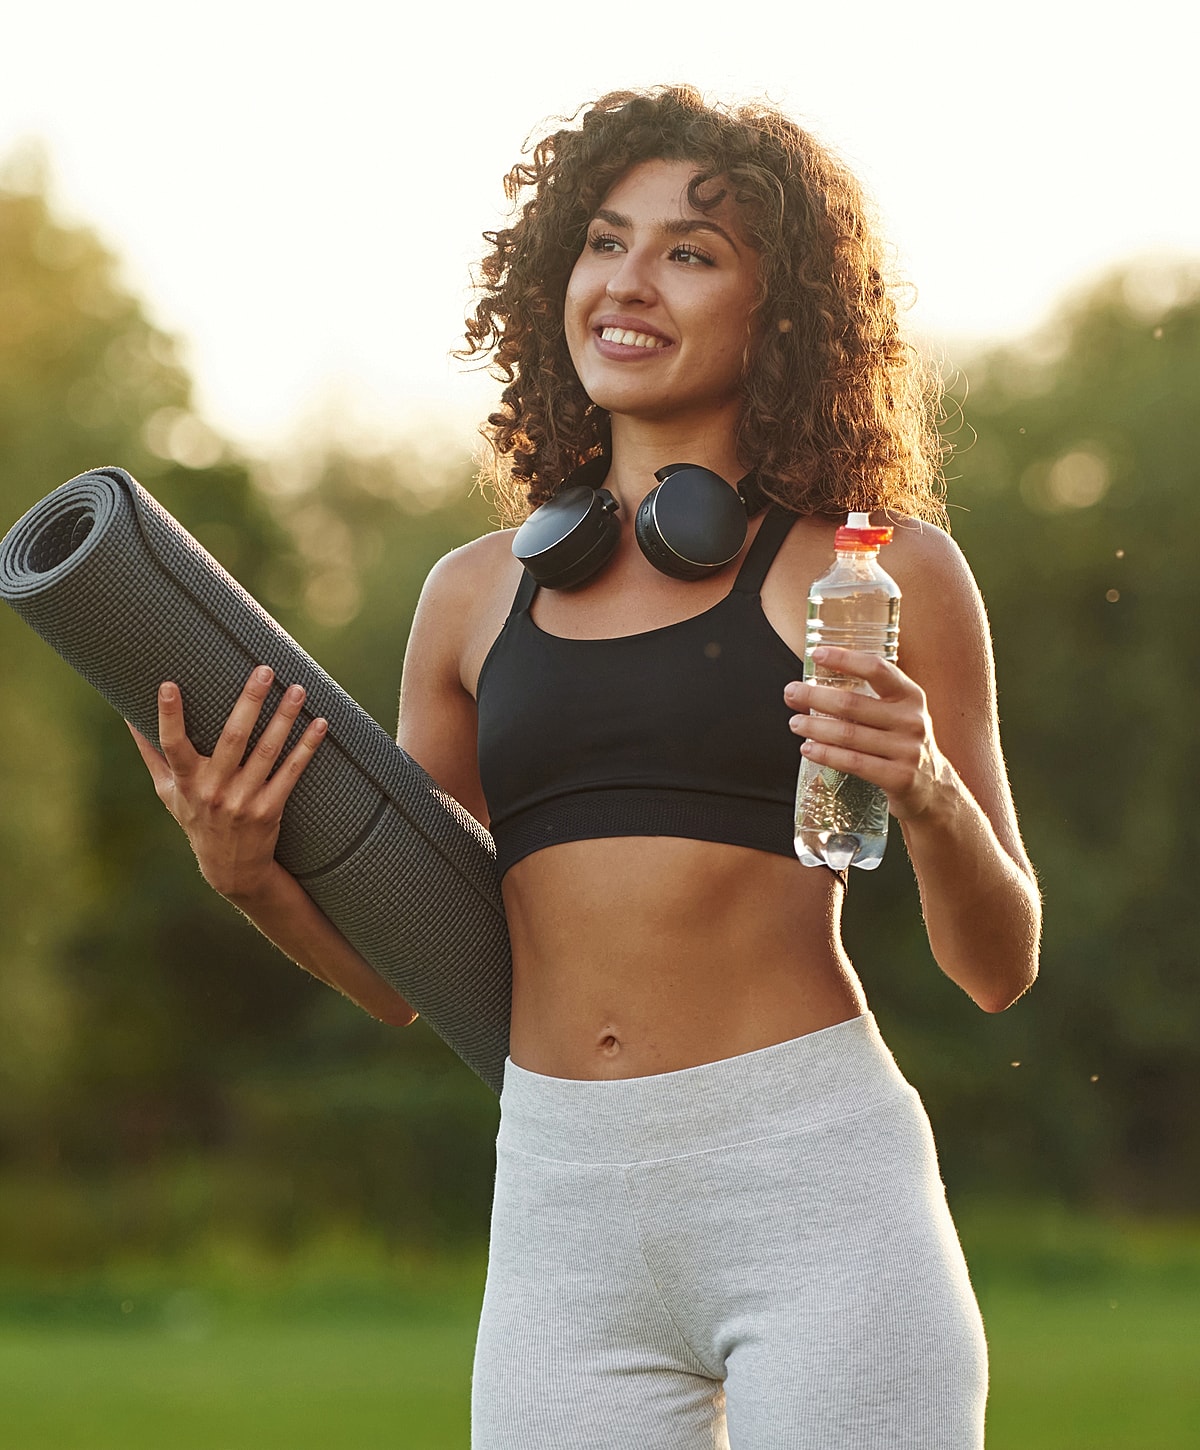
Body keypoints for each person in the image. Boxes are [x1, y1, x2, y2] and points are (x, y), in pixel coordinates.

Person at [131, 86, 1041, 1449]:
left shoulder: (876, 569)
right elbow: (407, 975)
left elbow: (998, 962)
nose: (628, 281)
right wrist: (249, 874)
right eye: (606, 241)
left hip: (814, 1186)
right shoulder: (469, 598)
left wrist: (928, 790)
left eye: (691, 251)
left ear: (780, 313)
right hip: (563, 1208)